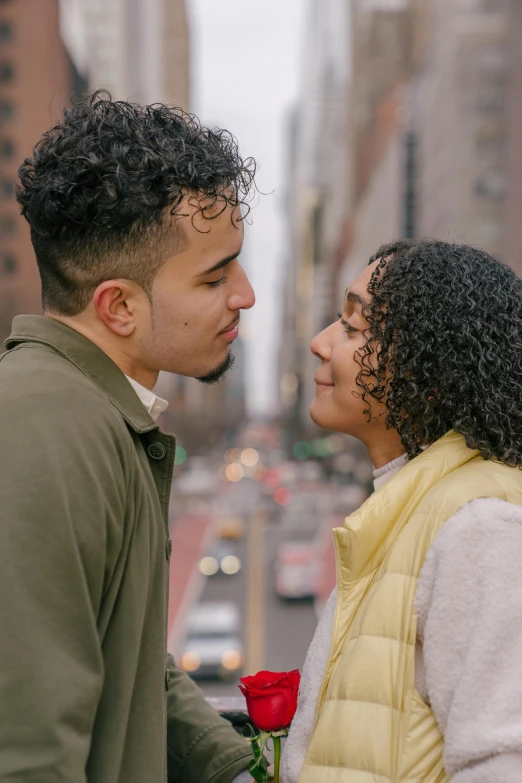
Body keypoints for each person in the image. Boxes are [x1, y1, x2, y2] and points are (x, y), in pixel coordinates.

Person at [0, 92, 259, 783]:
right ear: (118, 305)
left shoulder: (95, 416)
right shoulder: (46, 430)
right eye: (215, 274)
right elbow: (25, 749)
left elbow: (128, 662)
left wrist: (232, 764)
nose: (246, 294)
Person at [282, 239, 522, 783]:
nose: (320, 343)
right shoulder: (407, 510)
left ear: (429, 371)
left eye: (352, 327)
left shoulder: (482, 525)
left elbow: (503, 764)